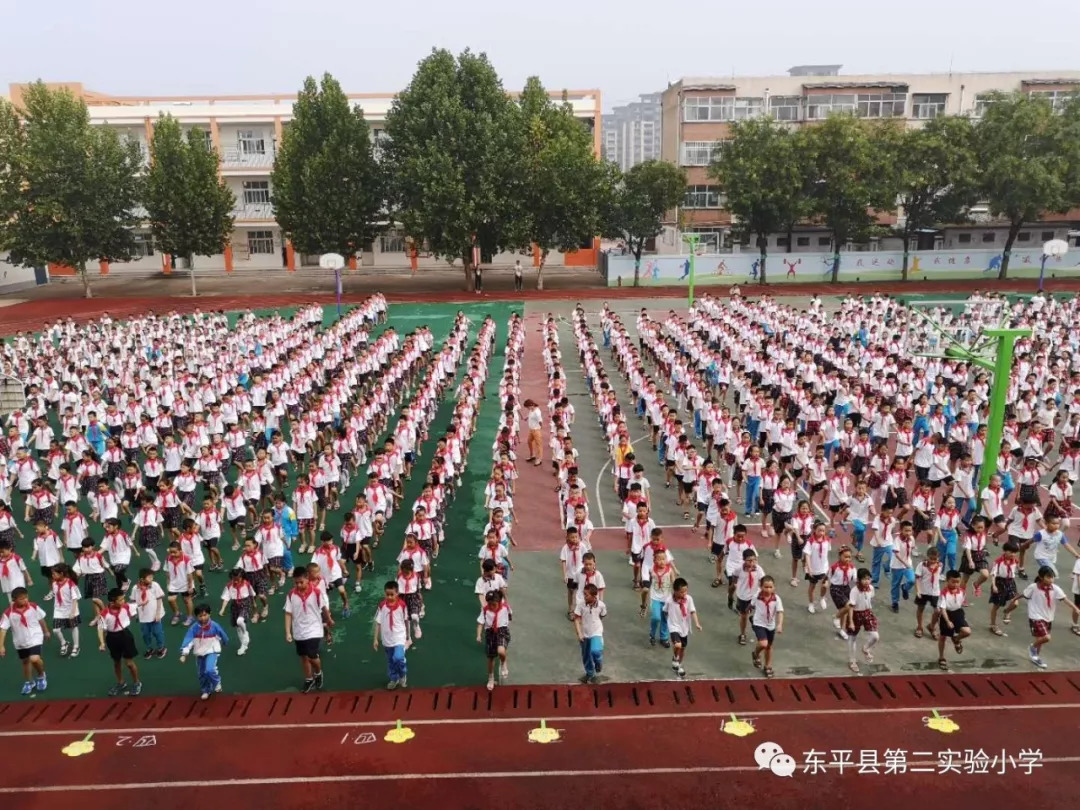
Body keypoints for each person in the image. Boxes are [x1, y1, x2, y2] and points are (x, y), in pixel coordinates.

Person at [1010, 565, 1079, 669]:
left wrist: (1075, 608)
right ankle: (1032, 648)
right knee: (1046, 637)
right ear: (1041, 577)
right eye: (1048, 577)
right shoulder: (1033, 587)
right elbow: (1024, 594)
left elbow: (1065, 599)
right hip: (1035, 616)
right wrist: (1014, 599)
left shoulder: (1055, 588)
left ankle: (1036, 657)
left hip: (1048, 617)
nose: (1051, 580)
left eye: (1052, 577)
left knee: (1040, 639)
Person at [284, 566, 331, 693]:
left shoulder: (316, 592)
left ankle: (318, 672)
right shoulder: (291, 595)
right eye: (296, 582)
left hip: (314, 629)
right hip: (299, 631)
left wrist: (328, 620)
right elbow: (288, 613)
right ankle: (309, 679)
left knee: (311, 655)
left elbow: (323, 608)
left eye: (301, 582)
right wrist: (288, 632)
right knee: (304, 657)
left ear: (307, 579)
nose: (298, 585)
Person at [0, 587, 49, 695]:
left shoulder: (33, 607)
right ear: (14, 600)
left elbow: (41, 619)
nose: (25, 600)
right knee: (25, 661)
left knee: (34, 659)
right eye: (22, 599)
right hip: (20, 641)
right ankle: (29, 682)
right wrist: (1, 646)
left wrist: (46, 632)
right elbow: (3, 629)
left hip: (35, 637)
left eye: (26, 597)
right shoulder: (8, 613)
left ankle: (41, 675)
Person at [179, 604, 230, 700]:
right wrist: (184, 654)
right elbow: (188, 641)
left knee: (209, 670)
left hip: (212, 651)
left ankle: (216, 682)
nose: (203, 618)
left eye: (205, 615)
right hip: (199, 653)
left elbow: (223, 634)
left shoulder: (214, 626)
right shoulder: (194, 628)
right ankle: (206, 690)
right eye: (200, 616)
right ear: (196, 616)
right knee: (201, 673)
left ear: (210, 614)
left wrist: (225, 641)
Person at [100, 587, 142, 696]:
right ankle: (121, 682)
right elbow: (100, 629)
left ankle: (137, 682)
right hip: (112, 638)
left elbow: (139, 604)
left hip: (125, 636)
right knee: (116, 662)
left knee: (129, 663)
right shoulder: (105, 613)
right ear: (112, 602)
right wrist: (102, 643)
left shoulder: (126, 607)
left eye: (123, 598)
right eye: (120, 600)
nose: (123, 601)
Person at [374, 580, 410, 690]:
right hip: (386, 639)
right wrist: (375, 639)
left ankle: (403, 674)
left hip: (399, 637)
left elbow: (406, 621)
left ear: (397, 593)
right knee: (391, 661)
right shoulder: (382, 606)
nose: (389, 597)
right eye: (387, 594)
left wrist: (408, 636)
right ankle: (394, 678)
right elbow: (378, 622)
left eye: (392, 594)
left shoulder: (402, 606)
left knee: (398, 658)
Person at [843, 568, 878, 674]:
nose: (867, 581)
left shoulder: (871, 588)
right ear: (858, 580)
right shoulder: (854, 591)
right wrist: (851, 622)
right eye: (864, 579)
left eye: (868, 579)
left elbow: (869, 599)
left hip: (867, 613)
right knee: (852, 638)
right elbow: (851, 607)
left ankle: (866, 648)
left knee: (875, 636)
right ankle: (852, 660)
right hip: (855, 614)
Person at [934, 570, 971, 671]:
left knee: (967, 631)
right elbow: (943, 609)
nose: (955, 584)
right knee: (943, 637)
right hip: (947, 614)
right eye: (953, 582)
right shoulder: (944, 593)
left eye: (957, 582)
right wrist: (947, 621)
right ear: (947, 581)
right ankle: (941, 657)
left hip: (958, 612)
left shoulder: (962, 591)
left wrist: (961, 618)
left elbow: (960, 603)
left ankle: (956, 639)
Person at [665, 577, 702, 678]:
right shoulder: (669, 600)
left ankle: (679, 664)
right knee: (677, 645)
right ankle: (675, 657)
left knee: (682, 649)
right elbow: (665, 611)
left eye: (686, 591)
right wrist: (667, 622)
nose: (684, 593)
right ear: (675, 591)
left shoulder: (689, 599)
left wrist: (697, 623)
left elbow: (692, 611)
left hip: (684, 627)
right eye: (682, 592)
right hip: (674, 626)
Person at [476, 589, 511, 691]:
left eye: (494, 604)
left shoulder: (505, 608)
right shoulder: (485, 610)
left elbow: (509, 616)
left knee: (501, 650)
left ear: (499, 602)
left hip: (501, 631)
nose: (491, 606)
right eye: (489, 604)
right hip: (490, 633)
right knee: (491, 658)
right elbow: (480, 623)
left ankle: (503, 663)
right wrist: (478, 635)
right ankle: (491, 678)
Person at [750, 575, 783, 678]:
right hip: (759, 623)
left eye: (770, 587)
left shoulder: (776, 599)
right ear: (761, 586)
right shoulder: (757, 596)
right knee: (764, 644)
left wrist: (779, 624)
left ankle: (768, 666)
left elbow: (780, 612)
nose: (768, 589)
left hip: (770, 625)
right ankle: (756, 654)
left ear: (774, 587)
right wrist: (749, 610)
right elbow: (752, 605)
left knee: (769, 647)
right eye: (766, 587)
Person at [130, 568, 166, 659]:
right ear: (142, 579)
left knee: (157, 633)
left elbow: (159, 599)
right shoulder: (135, 588)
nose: (151, 579)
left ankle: (161, 648)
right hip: (143, 616)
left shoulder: (155, 585)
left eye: (152, 577)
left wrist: (158, 613)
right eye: (149, 577)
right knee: (145, 634)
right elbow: (133, 601)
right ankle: (149, 648)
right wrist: (136, 614)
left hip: (155, 615)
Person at [574, 582, 606, 684]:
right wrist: (579, 633)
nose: (584, 596)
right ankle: (590, 674)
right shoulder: (581, 605)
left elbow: (602, 615)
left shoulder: (601, 605)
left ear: (594, 596)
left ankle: (598, 663)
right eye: (584, 594)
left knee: (595, 651)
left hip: (596, 631)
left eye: (586, 595)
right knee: (586, 656)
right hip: (585, 633)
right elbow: (577, 619)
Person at [219, 568, 256, 655]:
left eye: (237, 579)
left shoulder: (247, 584)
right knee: (238, 627)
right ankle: (243, 646)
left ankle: (246, 633)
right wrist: (222, 609)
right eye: (233, 579)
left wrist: (254, 604)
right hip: (235, 606)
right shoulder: (229, 586)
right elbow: (226, 598)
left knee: (239, 621)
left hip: (245, 604)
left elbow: (251, 594)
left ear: (242, 577)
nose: (235, 581)